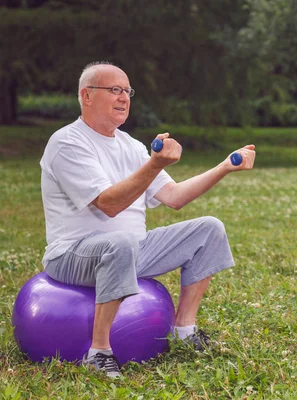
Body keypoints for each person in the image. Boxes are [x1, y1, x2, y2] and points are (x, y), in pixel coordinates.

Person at [39, 61, 256, 378]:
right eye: (114, 90)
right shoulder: (68, 142)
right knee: (122, 243)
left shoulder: (131, 146)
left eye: (127, 91)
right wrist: (154, 165)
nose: (123, 97)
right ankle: (98, 353)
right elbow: (109, 204)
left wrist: (224, 166)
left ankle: (185, 330)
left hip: (131, 250)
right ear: (86, 96)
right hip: (72, 254)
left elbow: (175, 196)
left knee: (209, 229)